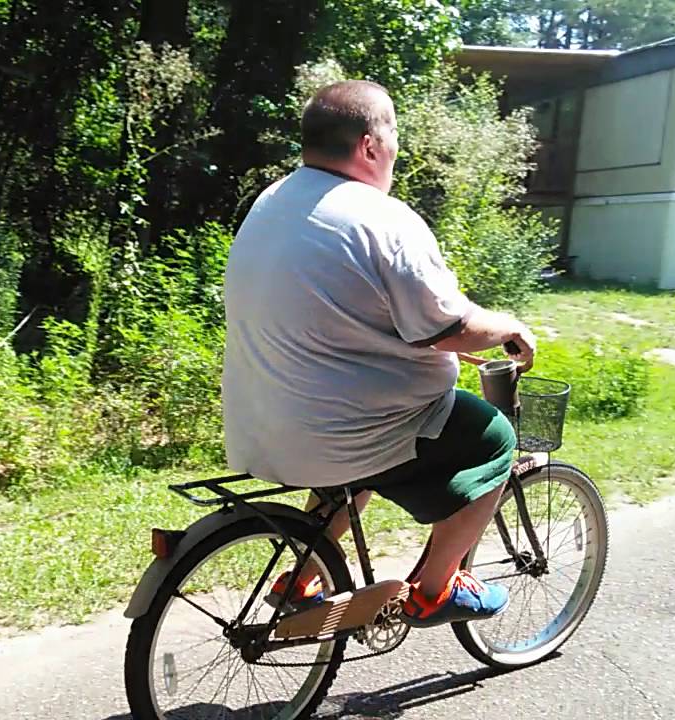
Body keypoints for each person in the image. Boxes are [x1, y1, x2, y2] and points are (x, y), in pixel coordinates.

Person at [221, 79, 537, 627]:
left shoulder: (272, 201)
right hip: (347, 431)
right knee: (494, 439)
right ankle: (436, 591)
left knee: (362, 446)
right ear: (369, 145)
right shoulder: (381, 218)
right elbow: (451, 327)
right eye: (393, 136)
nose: (396, 150)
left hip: (263, 423)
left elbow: (341, 321)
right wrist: (509, 328)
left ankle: (303, 577)